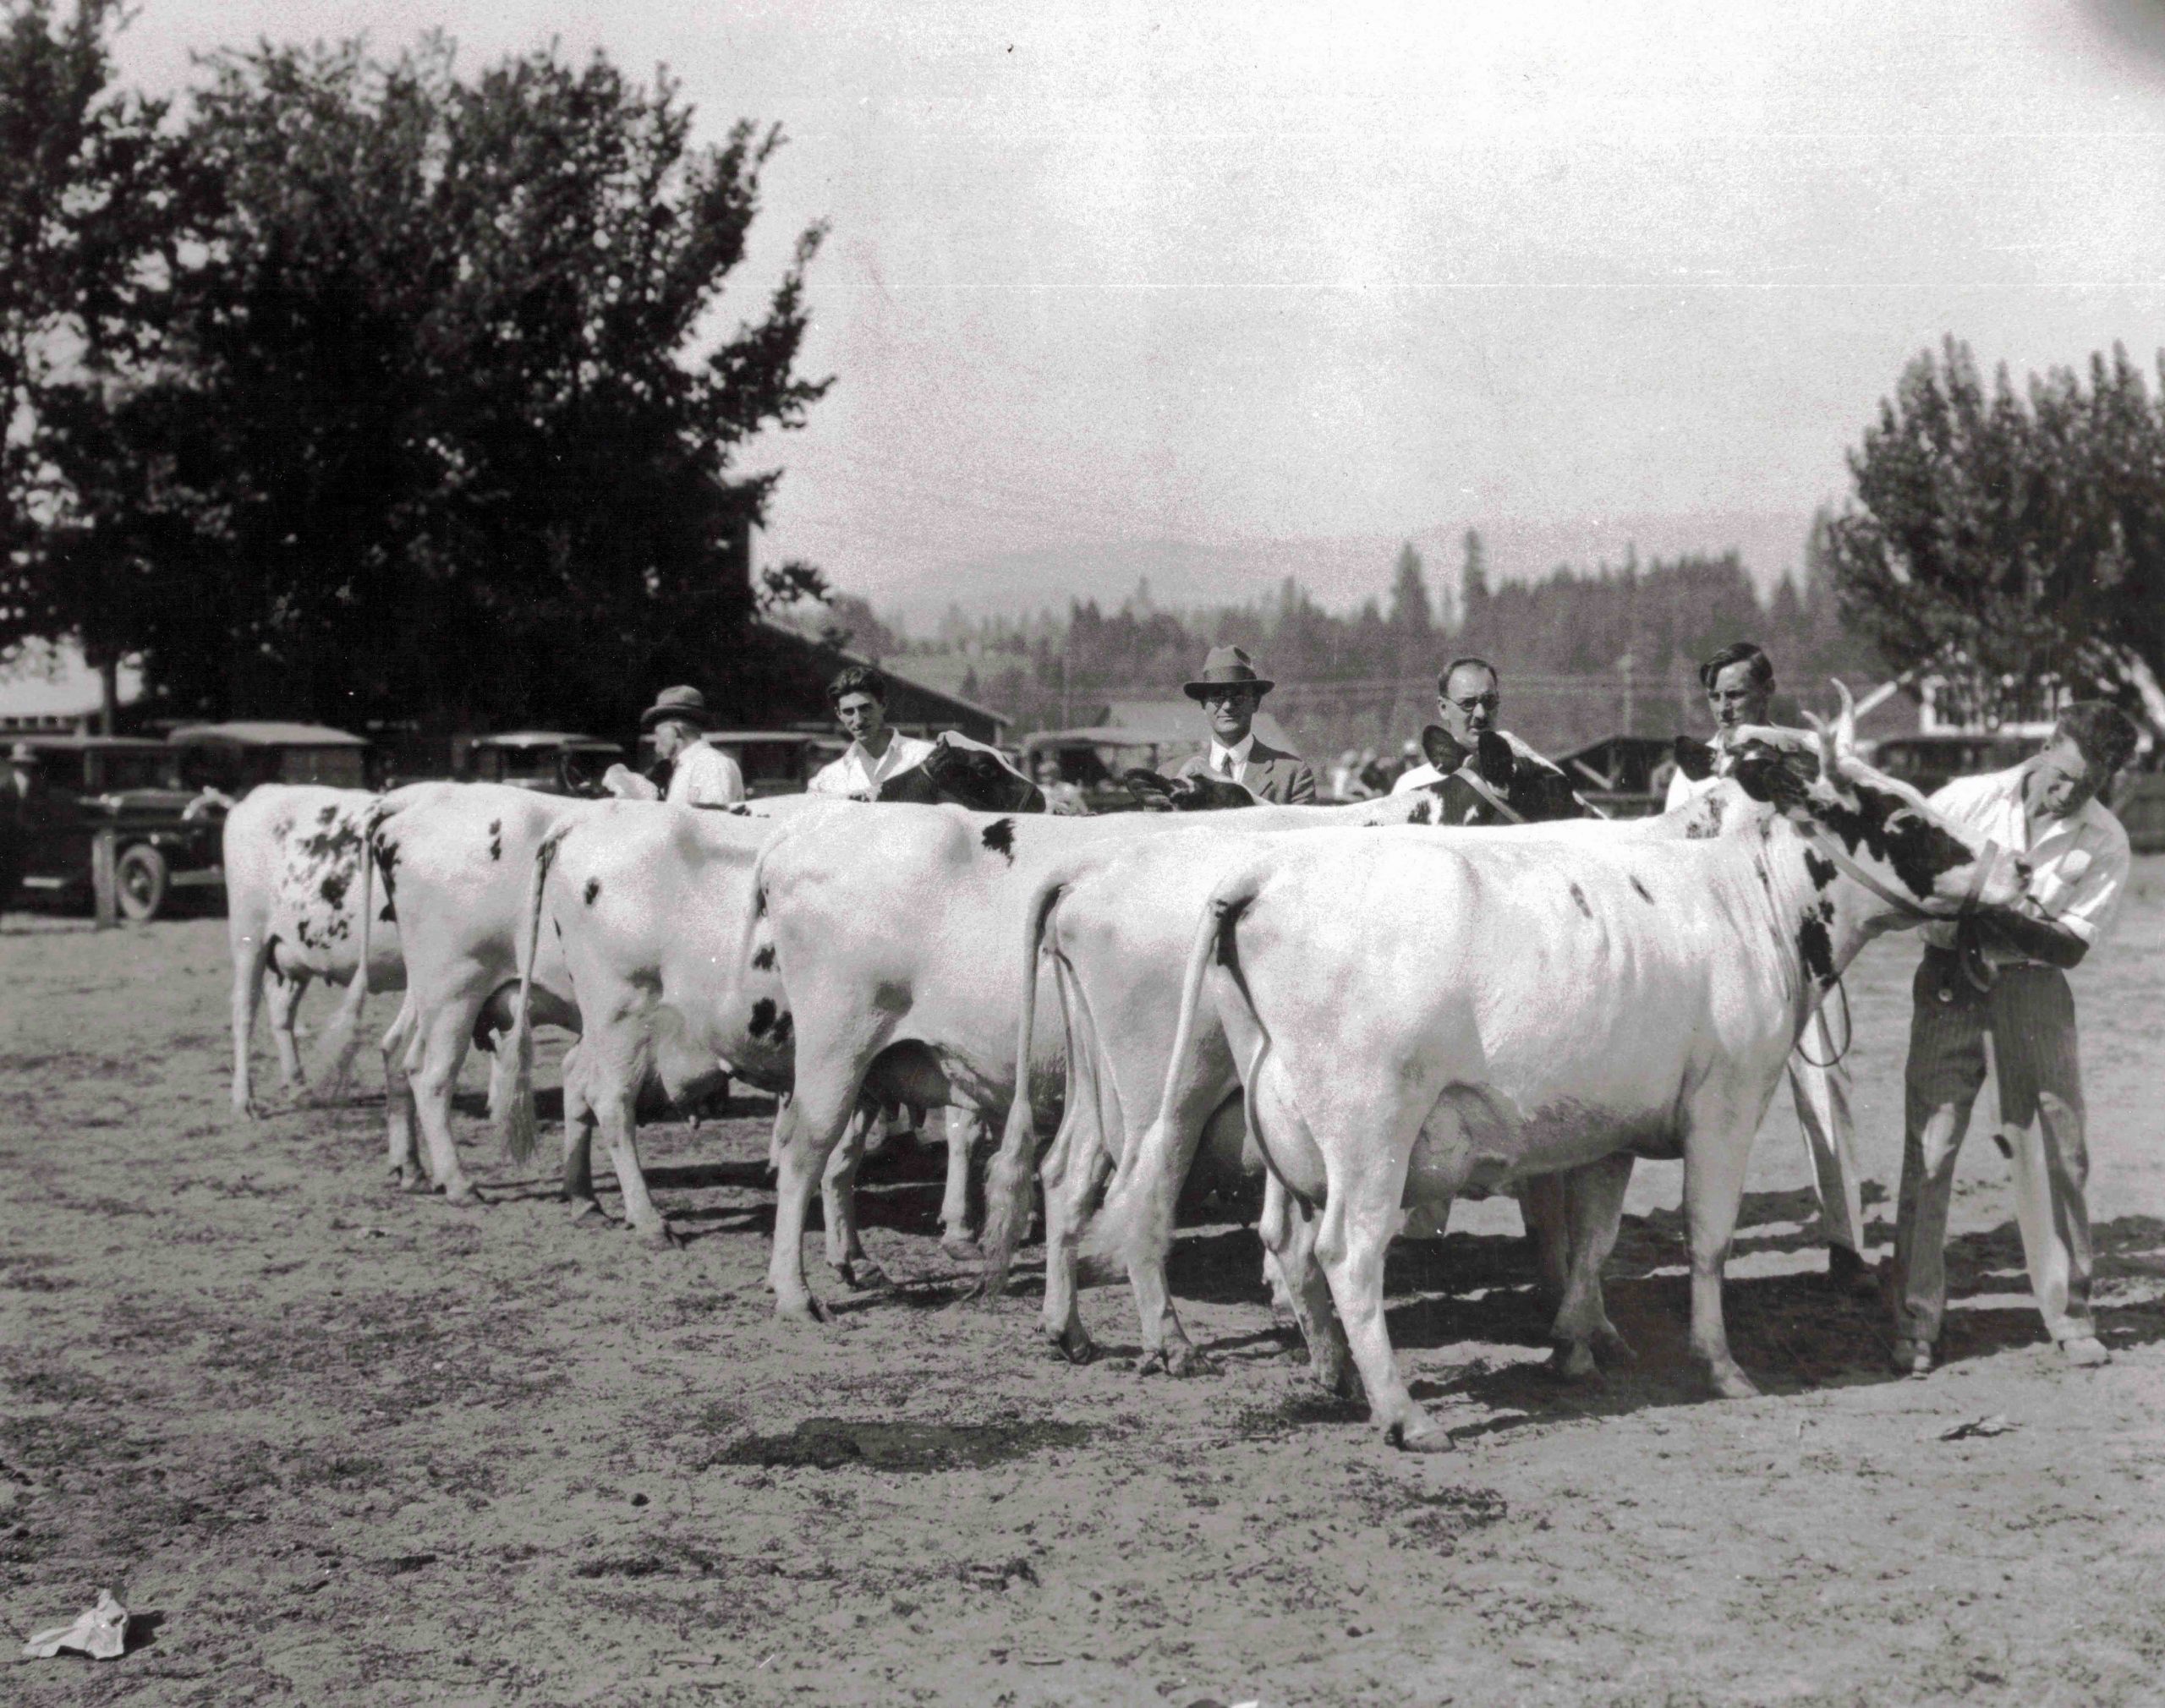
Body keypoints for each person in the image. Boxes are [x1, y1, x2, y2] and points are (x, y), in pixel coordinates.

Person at [1889, 700, 2140, 1377]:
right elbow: (1907, 874)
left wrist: (1996, 907)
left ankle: (2071, 1316)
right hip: (1946, 985)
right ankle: (1915, 1321)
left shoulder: (2104, 840)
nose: (2066, 795)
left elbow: (2068, 948)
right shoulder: (1965, 799)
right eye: (2061, 777)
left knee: (2058, 1153)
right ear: (2047, 744)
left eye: (2085, 787)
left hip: (2033, 991)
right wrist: (1958, 906)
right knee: (1931, 1148)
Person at [1667, 641, 1872, 1293]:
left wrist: (1766, 740)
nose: (1727, 707)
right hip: (1722, 960)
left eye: (1739, 694)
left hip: (1804, 949)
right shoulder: (1693, 771)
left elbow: (1845, 780)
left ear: (1767, 691)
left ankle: (1847, 1246)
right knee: (1709, 1104)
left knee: (1827, 1090)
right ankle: (1703, 1253)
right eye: (1718, 696)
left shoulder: (1801, 757)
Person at [1172, 646, 1316, 804]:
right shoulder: (1171, 774)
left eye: (1238, 696)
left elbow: (1299, 827)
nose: (1227, 706)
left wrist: (1218, 779)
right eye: (1217, 697)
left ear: (1255, 703)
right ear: (1203, 704)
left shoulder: (1293, 774)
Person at [1391, 657, 1548, 793]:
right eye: (1467, 703)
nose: (1481, 713)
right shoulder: (1413, 786)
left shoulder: (1531, 780)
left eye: (1489, 701)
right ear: (1443, 708)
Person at [808, 665, 936, 797]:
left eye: (865, 708)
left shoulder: (925, 757)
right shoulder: (827, 779)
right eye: (848, 711)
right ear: (839, 714)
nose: (858, 720)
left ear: (883, 705)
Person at [639, 686, 745, 807]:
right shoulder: (684, 768)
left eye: (658, 735)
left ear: (674, 732)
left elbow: (712, 822)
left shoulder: (711, 764)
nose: (656, 747)